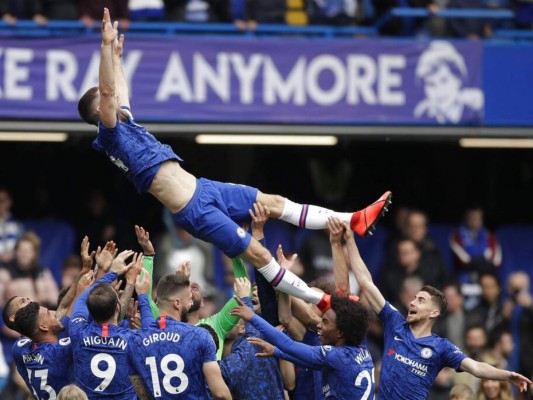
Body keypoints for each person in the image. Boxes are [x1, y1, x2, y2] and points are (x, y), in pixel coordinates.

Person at [77, 8, 392, 315]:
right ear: (102, 110)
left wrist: (117, 59)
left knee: (273, 202)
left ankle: (354, 219)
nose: (118, 98)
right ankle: (322, 300)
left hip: (205, 188)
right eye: (111, 100)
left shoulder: (125, 123)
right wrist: (105, 48)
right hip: (194, 211)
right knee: (259, 254)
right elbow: (108, 93)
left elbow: (117, 90)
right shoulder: (111, 136)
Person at [342, 220, 532, 399]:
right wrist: (350, 239)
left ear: (434, 313)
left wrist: (507, 375)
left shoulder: (441, 347)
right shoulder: (394, 322)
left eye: (421, 300)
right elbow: (366, 283)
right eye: (414, 299)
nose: (412, 303)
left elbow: (476, 367)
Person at [231, 291, 375, 399]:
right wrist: (277, 352)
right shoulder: (361, 345)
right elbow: (312, 362)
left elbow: (288, 344)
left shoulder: (337, 356)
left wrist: (252, 317)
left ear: (340, 333)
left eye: (325, 323)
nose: (320, 325)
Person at [126, 273, 231, 399]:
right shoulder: (199, 335)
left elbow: (140, 390)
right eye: (190, 298)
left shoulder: (135, 341)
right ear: (177, 303)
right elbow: (220, 393)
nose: (191, 303)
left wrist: (142, 295)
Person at [69, 250, 145, 399]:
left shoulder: (77, 332)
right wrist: (133, 285)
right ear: (117, 308)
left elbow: (81, 299)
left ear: (88, 311)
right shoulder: (133, 338)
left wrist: (112, 272)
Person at [11, 301, 74, 398]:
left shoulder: (18, 350)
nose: (55, 314)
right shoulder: (60, 350)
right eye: (49, 313)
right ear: (43, 326)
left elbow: (25, 328)